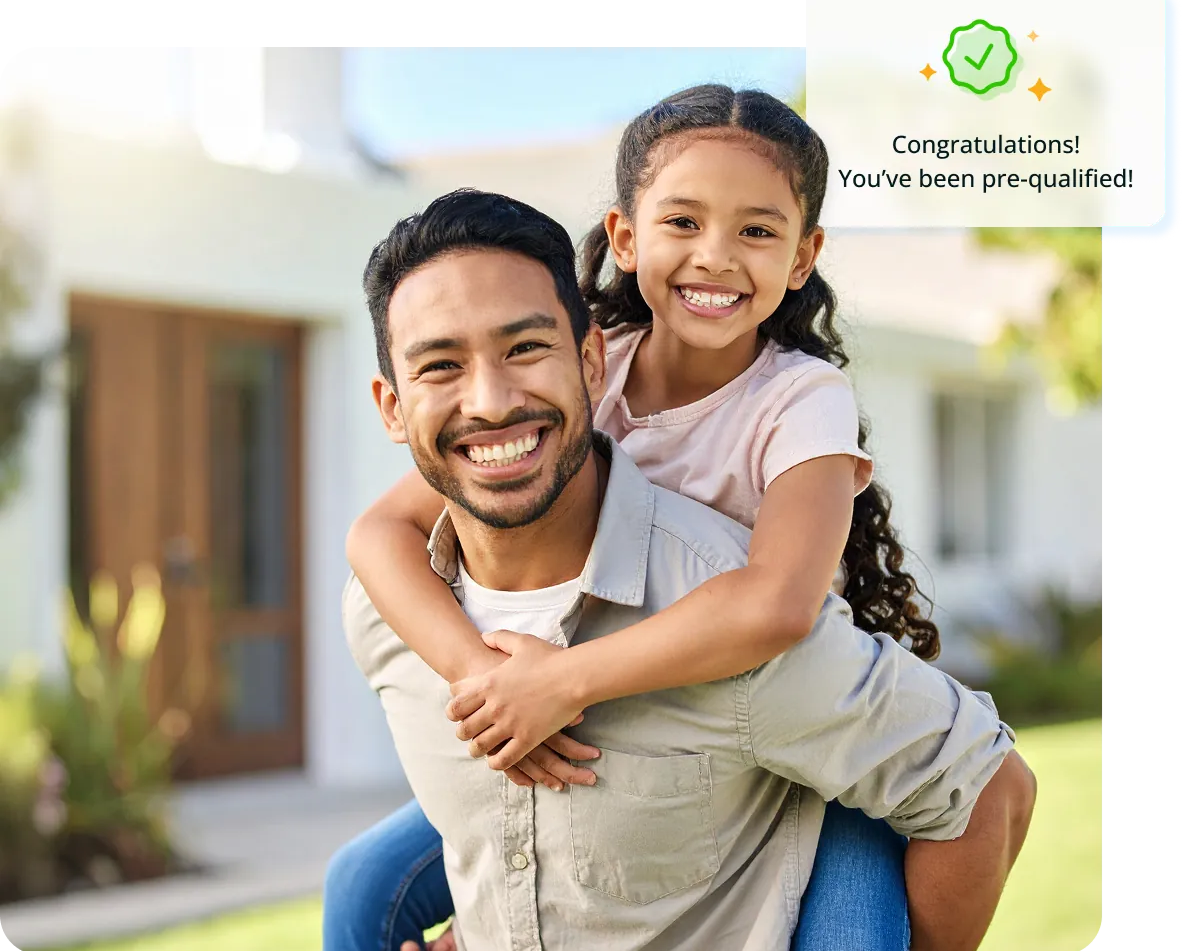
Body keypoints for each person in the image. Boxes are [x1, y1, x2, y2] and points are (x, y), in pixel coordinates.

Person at [335, 186, 1036, 951]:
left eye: (526, 347)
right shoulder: (389, 611)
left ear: (591, 361)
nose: (492, 399)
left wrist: (567, 680)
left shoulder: (734, 606)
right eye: (440, 364)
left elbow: (990, 791)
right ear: (392, 407)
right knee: (362, 883)